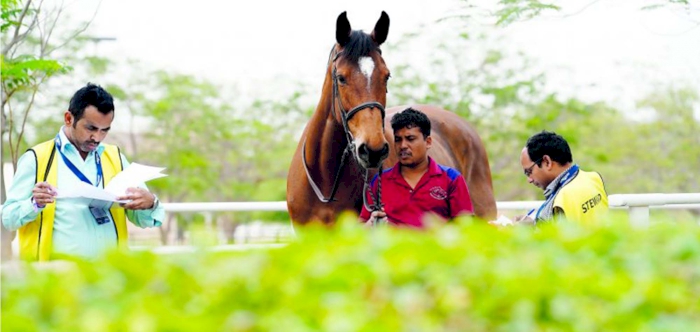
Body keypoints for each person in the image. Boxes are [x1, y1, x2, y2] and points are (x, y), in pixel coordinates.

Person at [2, 83, 164, 261]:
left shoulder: (116, 157)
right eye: (91, 128)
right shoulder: (37, 159)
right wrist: (34, 204)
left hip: (108, 276)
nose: (97, 137)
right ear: (69, 118)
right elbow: (8, 218)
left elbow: (144, 221)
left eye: (105, 130)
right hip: (57, 278)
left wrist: (150, 203)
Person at [359, 107, 473, 227]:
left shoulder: (452, 179)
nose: (403, 145)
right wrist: (369, 224)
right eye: (398, 140)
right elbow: (361, 228)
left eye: (410, 139)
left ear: (428, 142)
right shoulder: (380, 181)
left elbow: (465, 229)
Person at [516, 130, 608, 225]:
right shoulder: (593, 178)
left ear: (547, 162)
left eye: (529, 172)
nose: (529, 180)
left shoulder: (560, 200)